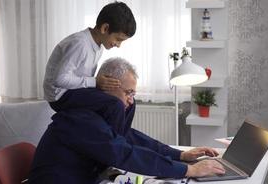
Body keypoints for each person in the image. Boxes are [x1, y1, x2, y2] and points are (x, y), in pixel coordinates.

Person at [29, 58, 225, 184]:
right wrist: (190, 170)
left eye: (133, 93)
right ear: (108, 85)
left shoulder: (99, 112)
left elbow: (131, 138)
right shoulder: (81, 117)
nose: (131, 100)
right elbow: (123, 152)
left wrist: (181, 156)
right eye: (128, 93)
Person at [43, 1, 136, 112]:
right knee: (115, 104)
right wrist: (95, 82)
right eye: (118, 39)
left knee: (130, 102)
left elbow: (84, 79)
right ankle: (113, 130)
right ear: (105, 28)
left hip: (76, 90)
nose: (118, 45)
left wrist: (102, 83)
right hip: (60, 97)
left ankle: (120, 130)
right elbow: (59, 80)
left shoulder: (98, 46)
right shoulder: (80, 44)